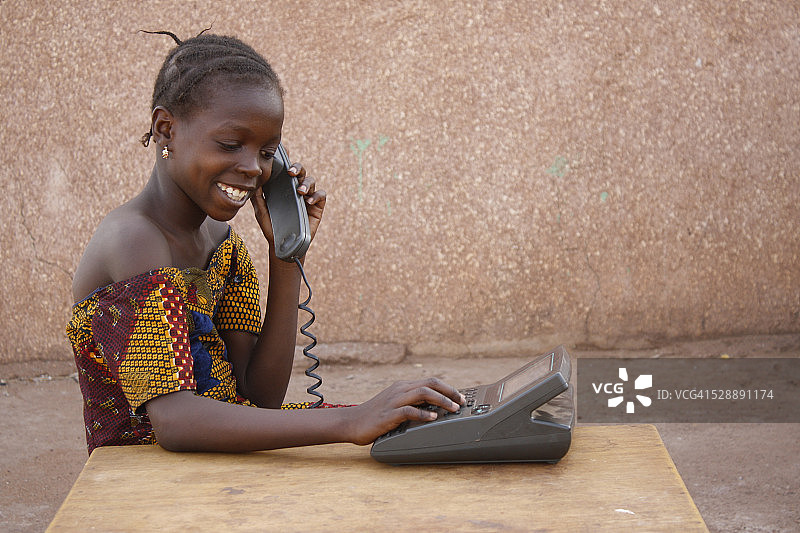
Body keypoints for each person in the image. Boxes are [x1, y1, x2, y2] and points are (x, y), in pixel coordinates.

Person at [67, 31, 463, 454]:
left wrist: (288, 253)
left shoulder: (223, 246)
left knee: (412, 434)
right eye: (231, 144)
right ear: (166, 129)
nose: (253, 168)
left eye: (267, 151)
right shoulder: (135, 239)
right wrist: (350, 419)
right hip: (144, 473)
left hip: (219, 457)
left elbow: (259, 398)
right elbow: (175, 421)